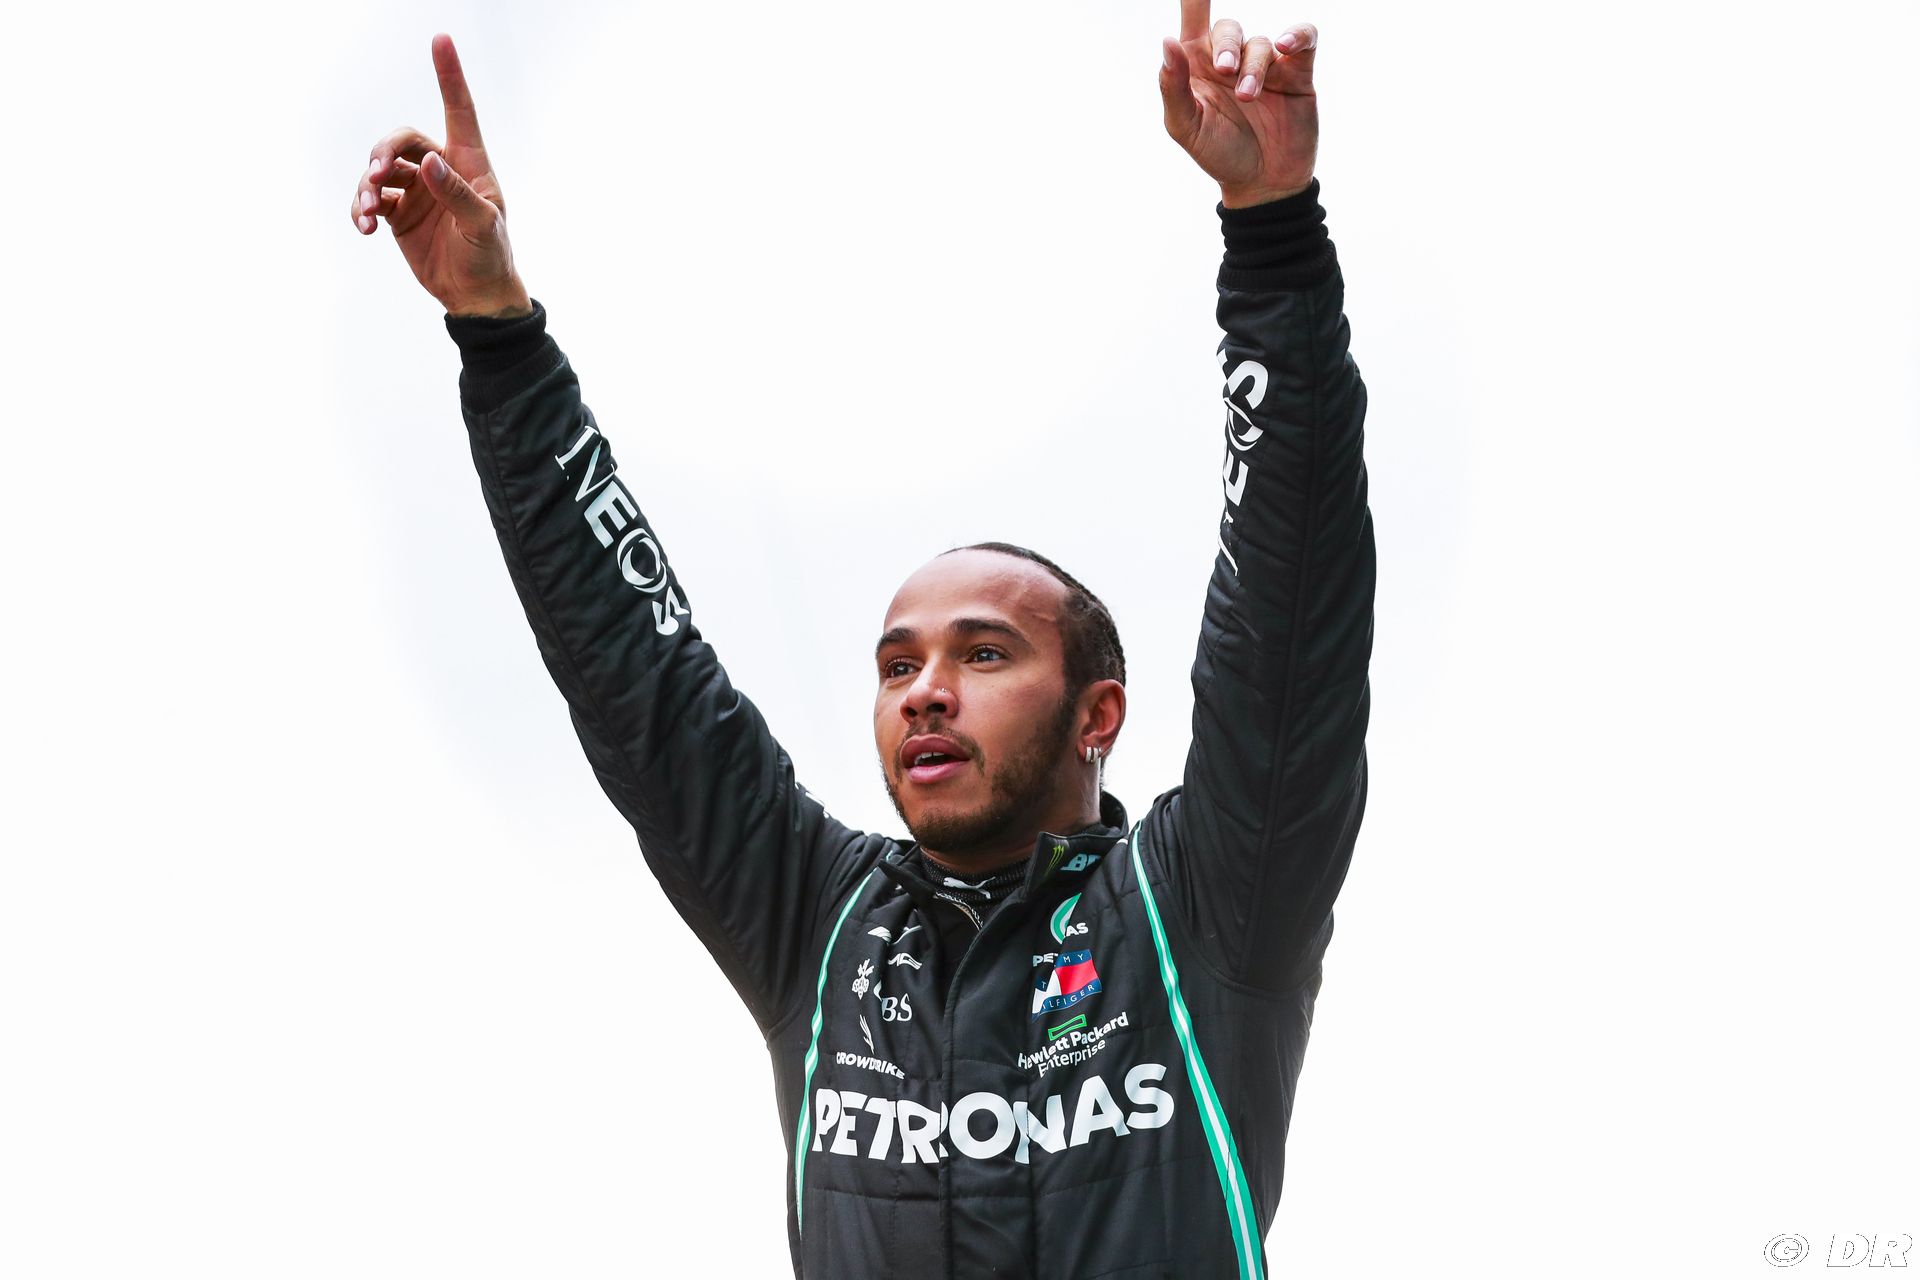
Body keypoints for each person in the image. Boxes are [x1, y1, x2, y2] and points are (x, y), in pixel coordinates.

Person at [351, 4, 1372, 1274]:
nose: (925, 692)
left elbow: (1292, 614)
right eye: (898, 665)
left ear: (1097, 713)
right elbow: (633, 664)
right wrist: (498, 334)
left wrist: (1272, 232)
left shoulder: (1204, 902)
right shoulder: (818, 920)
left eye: (983, 654)